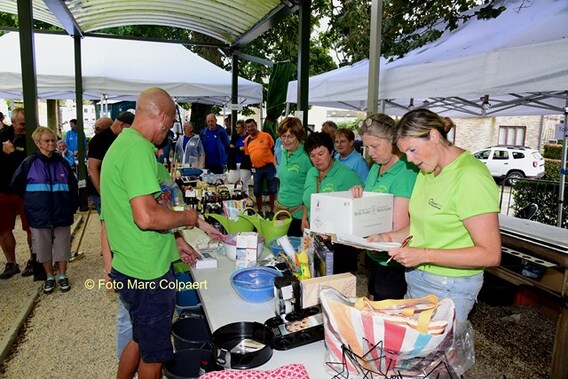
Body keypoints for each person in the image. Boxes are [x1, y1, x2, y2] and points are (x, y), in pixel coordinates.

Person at [101, 87, 223, 379]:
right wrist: (189, 217)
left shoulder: (121, 145)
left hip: (129, 265)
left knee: (141, 337)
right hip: (148, 274)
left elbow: (131, 217)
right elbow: (146, 217)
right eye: (167, 127)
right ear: (164, 119)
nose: (165, 135)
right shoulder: (138, 150)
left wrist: (174, 243)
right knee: (154, 357)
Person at [368, 109, 501, 324]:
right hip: (418, 277)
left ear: (434, 136)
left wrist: (424, 255)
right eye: (405, 152)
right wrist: (385, 237)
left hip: (450, 285)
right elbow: (419, 227)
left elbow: (490, 254)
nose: (409, 160)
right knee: (413, 347)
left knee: (432, 353)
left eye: (412, 150)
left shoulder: (470, 176)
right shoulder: (427, 171)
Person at [350, 113, 419, 300]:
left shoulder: (406, 171)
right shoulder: (376, 166)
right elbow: (373, 200)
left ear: (393, 141)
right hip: (374, 255)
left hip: (393, 263)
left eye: (375, 146)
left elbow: (398, 227)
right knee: (372, 300)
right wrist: (360, 193)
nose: (370, 152)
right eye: (366, 146)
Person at [11, 127, 78, 293]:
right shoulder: (29, 163)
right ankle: (49, 276)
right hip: (39, 214)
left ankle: (62, 275)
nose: (51, 144)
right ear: (37, 143)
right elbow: (16, 185)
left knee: (63, 245)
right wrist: (32, 203)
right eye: (47, 141)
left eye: (53, 140)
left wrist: (71, 206)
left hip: (61, 211)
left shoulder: (62, 162)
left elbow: (72, 186)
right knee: (43, 247)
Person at [302, 132, 363, 273]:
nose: (317, 159)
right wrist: (305, 217)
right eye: (312, 156)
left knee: (337, 284)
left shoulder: (347, 175)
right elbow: (307, 197)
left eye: (321, 153)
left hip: (339, 245)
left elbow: (360, 210)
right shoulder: (312, 172)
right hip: (316, 239)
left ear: (331, 152)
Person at [0, 108, 34, 279]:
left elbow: (29, 165)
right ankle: (11, 262)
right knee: (3, 228)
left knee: (30, 227)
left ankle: (33, 259)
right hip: (3, 190)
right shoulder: (3, 135)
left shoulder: (32, 138)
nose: (24, 127)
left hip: (24, 191)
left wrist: (13, 154)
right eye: (21, 124)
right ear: (13, 122)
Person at [87, 111, 135, 215]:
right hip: (103, 191)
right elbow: (92, 167)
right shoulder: (99, 139)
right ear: (122, 125)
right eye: (130, 128)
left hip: (117, 190)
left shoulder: (122, 138)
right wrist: (102, 193)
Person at [276, 117, 312, 237]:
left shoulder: (306, 157)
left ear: (298, 136)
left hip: (298, 216)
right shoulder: (285, 153)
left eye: (290, 136)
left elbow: (313, 189)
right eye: (283, 136)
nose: (286, 140)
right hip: (281, 211)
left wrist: (305, 217)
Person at [244, 118, 277, 214]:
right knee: (257, 191)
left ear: (256, 125)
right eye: (248, 127)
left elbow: (273, 149)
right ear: (246, 128)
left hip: (269, 166)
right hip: (256, 169)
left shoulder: (266, 136)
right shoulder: (247, 141)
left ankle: (272, 210)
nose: (250, 128)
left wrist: (275, 164)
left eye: (252, 126)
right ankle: (259, 210)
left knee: (272, 189)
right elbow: (248, 155)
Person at [227, 119, 252, 185]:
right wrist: (238, 149)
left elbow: (247, 150)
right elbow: (230, 147)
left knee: (244, 184)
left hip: (245, 163)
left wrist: (236, 148)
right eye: (236, 127)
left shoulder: (248, 137)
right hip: (234, 163)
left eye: (239, 127)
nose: (237, 129)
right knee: (231, 181)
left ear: (244, 128)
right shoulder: (235, 137)